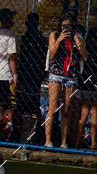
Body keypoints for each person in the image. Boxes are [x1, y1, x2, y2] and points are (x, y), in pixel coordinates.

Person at [45, 14, 87, 148]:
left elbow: (85, 56)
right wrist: (59, 40)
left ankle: (63, 141)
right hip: (56, 75)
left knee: (66, 110)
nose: (66, 28)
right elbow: (51, 55)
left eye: (69, 26)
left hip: (70, 76)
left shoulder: (77, 36)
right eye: (64, 26)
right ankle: (48, 141)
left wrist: (77, 42)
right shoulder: (55, 35)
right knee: (52, 108)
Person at [75, 27, 97, 149]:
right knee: (95, 114)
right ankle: (93, 142)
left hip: (86, 82)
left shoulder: (86, 50)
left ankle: (77, 140)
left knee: (84, 113)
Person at [17, 12, 47, 144]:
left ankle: (29, 135)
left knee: (28, 104)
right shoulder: (35, 37)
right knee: (29, 104)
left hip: (30, 75)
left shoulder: (33, 37)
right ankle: (28, 134)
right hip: (31, 75)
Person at [0, 9, 17, 135]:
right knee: (9, 103)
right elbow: (11, 57)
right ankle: (8, 124)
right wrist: (14, 74)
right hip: (5, 74)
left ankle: (5, 124)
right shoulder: (10, 34)